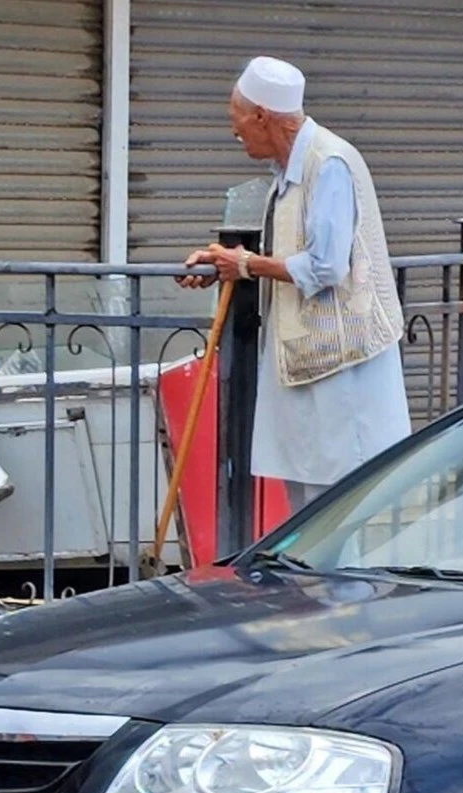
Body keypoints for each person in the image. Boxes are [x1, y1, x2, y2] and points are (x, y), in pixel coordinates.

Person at [180, 56, 411, 513]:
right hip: (306, 360)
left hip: (343, 365)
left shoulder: (328, 164)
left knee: (338, 509)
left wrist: (245, 264)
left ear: (263, 117)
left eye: (238, 120)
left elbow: (326, 265)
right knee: (305, 508)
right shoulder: (288, 172)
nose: (235, 132)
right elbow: (282, 246)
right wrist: (222, 260)